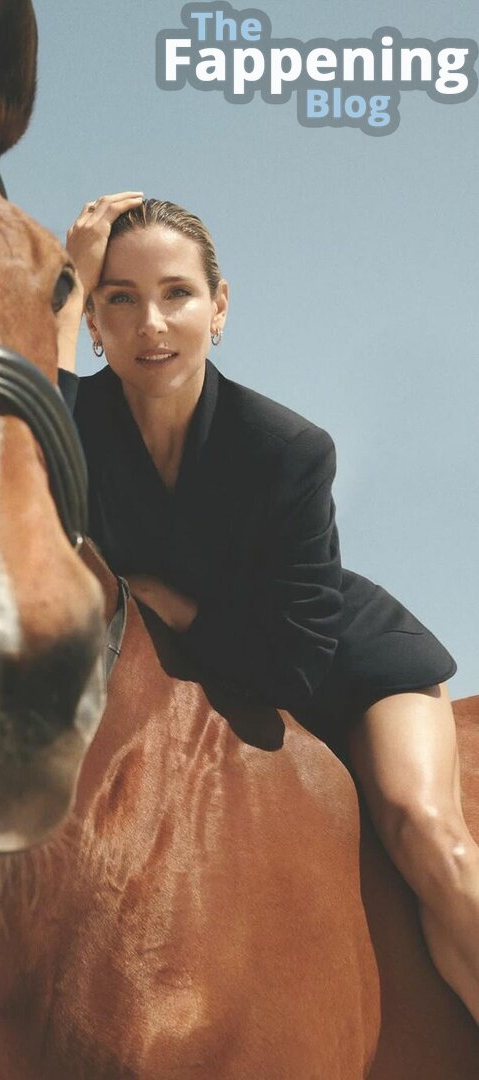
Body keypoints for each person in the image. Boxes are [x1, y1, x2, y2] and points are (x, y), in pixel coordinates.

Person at [55, 192, 479, 1022]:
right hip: (196, 678)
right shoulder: (72, 428)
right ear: (92, 322)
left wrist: (170, 604)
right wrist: (69, 277)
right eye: (119, 298)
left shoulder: (285, 448)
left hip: (342, 662)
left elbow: (291, 664)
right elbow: (19, 431)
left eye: (176, 294)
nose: (151, 324)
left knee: (427, 832)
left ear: (218, 308)